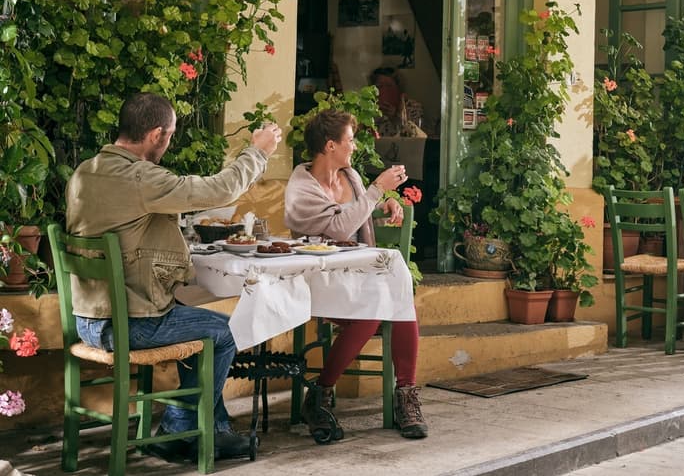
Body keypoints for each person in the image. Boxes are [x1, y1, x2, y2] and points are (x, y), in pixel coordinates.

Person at [65, 92, 282, 462]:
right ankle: (178, 428)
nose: (168, 144)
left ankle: (212, 430)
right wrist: (257, 152)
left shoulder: (86, 171)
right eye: (169, 136)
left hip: (87, 320)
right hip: (130, 325)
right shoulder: (139, 178)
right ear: (155, 134)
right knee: (224, 332)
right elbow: (219, 190)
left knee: (195, 319)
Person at [284, 109, 428, 440]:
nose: (356, 145)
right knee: (375, 307)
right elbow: (337, 230)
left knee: (398, 299)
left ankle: (405, 394)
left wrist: (383, 205)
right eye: (350, 139)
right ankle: (320, 392)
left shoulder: (350, 177)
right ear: (330, 145)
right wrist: (377, 191)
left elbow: (355, 216)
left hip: (357, 277)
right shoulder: (301, 187)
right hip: (317, 279)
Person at [370, 66, 424, 137]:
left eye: (389, 86)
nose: (385, 90)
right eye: (379, 86)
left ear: (398, 88)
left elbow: (415, 137)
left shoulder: (413, 107)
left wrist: (395, 117)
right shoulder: (369, 108)